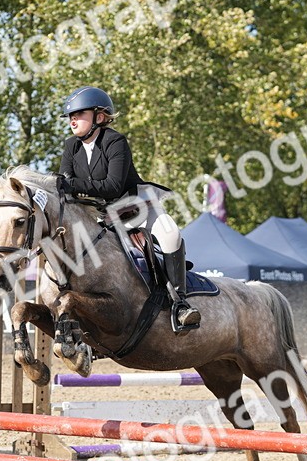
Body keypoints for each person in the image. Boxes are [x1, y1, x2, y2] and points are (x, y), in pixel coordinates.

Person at [56, 86, 201, 331]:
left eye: (80, 114)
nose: (73, 119)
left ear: (99, 117)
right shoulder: (72, 146)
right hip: (100, 216)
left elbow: (112, 186)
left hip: (136, 209)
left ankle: (180, 305)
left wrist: (70, 184)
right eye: (71, 115)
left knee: (170, 234)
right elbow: (64, 186)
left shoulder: (115, 141)